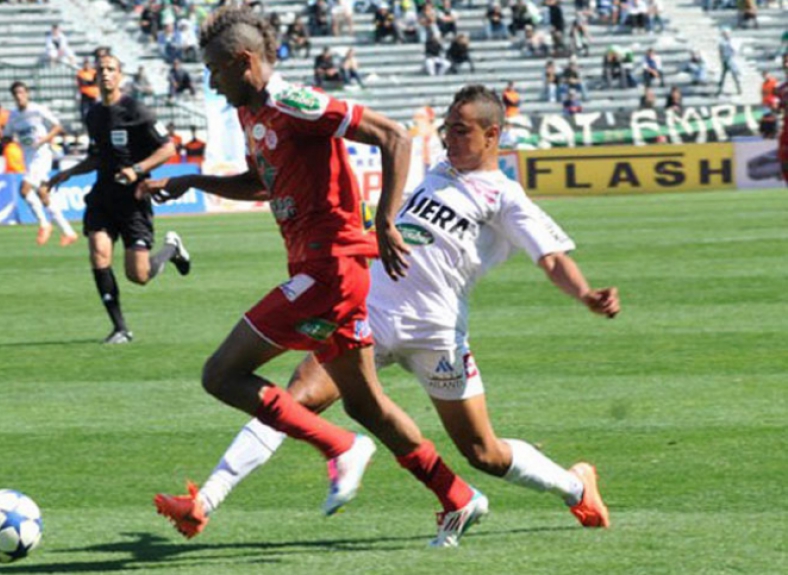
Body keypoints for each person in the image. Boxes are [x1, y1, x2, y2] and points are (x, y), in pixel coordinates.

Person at [175, 80, 617, 545]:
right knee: (298, 397)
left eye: (462, 130)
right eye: (447, 127)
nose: (449, 138)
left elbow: (551, 258)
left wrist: (585, 293)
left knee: (482, 452)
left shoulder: (504, 197)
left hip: (436, 331)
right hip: (371, 311)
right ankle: (207, 499)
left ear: (493, 135)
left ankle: (575, 486)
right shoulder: (437, 171)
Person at [140, 6, 485, 548]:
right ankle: (456, 496)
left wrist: (385, 221)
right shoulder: (251, 114)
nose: (210, 82)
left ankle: (339, 447)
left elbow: (394, 137)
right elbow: (263, 183)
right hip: (320, 272)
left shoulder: (293, 102)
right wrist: (195, 181)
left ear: (244, 61)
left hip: (330, 272)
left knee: (221, 375)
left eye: (214, 70)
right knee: (366, 405)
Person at [43, 52, 190, 344]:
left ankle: (171, 249)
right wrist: (68, 172)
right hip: (103, 196)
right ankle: (120, 328)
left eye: (111, 69)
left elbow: (168, 149)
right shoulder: (94, 114)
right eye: (101, 70)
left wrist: (137, 170)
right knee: (99, 253)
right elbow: (97, 156)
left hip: (133, 198)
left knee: (139, 275)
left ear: (120, 75)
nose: (106, 74)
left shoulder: (137, 110)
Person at [4, 81, 78, 246]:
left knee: (24, 189)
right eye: (16, 94)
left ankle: (44, 224)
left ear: (27, 94)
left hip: (42, 155)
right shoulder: (13, 116)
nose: (19, 96)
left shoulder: (37, 109)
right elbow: (6, 136)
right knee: (43, 194)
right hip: (28, 158)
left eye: (21, 92)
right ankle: (68, 232)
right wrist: (11, 139)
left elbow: (58, 126)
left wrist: (44, 140)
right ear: (13, 96)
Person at [717, 29, 743, 96]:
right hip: (725, 60)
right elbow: (720, 51)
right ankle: (719, 90)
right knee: (723, 76)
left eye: (727, 33)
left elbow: (735, 50)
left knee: (734, 75)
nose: (726, 35)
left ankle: (739, 89)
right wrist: (722, 59)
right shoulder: (722, 42)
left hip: (731, 59)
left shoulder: (732, 41)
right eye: (725, 34)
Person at [77, 57, 100, 121]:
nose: (86, 65)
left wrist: (89, 82)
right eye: (85, 63)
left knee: (95, 112)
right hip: (85, 95)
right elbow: (83, 83)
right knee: (84, 112)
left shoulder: (94, 72)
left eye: (88, 63)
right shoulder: (80, 73)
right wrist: (91, 82)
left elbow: (96, 82)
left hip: (94, 95)